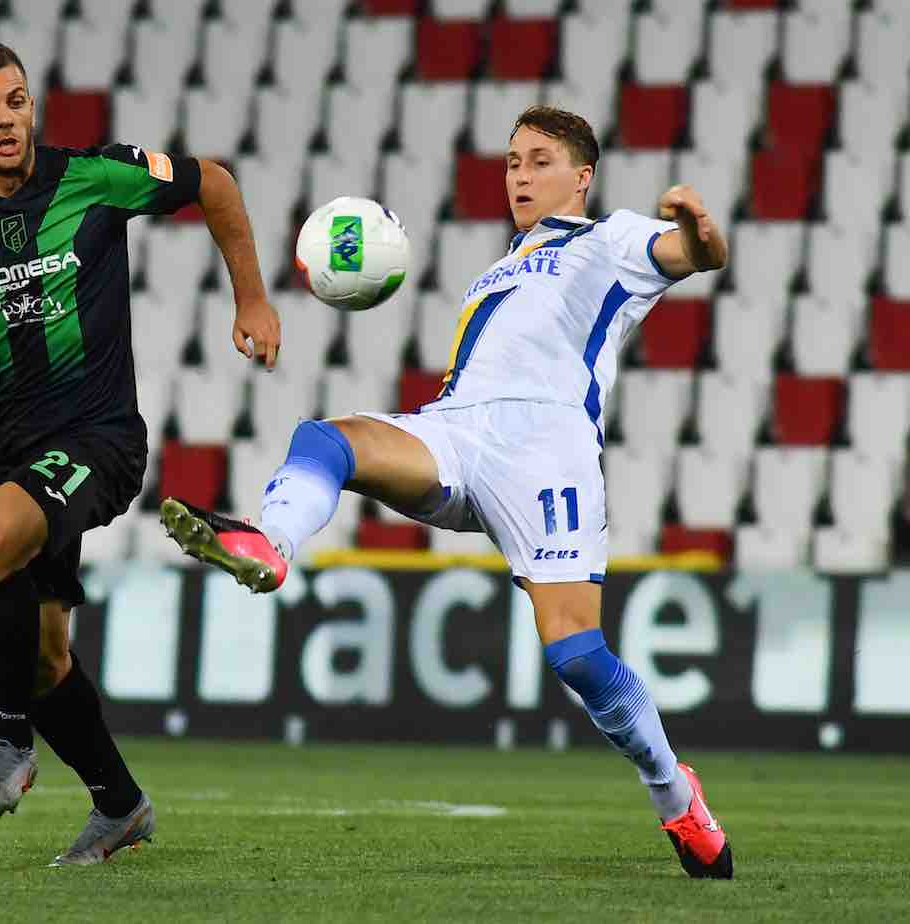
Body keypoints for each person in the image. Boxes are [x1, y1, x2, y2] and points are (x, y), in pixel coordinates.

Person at [161, 105, 734, 879]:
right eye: (511, 162)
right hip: (457, 433)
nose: (520, 176)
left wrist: (696, 225)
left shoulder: (611, 239)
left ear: (582, 176)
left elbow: (694, 254)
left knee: (576, 654)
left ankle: (677, 798)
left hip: (547, 450)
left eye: (538, 161)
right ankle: (271, 542)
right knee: (326, 439)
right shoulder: (498, 267)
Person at [0, 41, 280, 866]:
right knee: (43, 657)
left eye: (15, 101)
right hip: (9, 446)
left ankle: (9, 741)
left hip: (100, 438)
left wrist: (253, 299)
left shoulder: (95, 176)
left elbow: (215, 183)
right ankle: (119, 805)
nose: (6, 119)